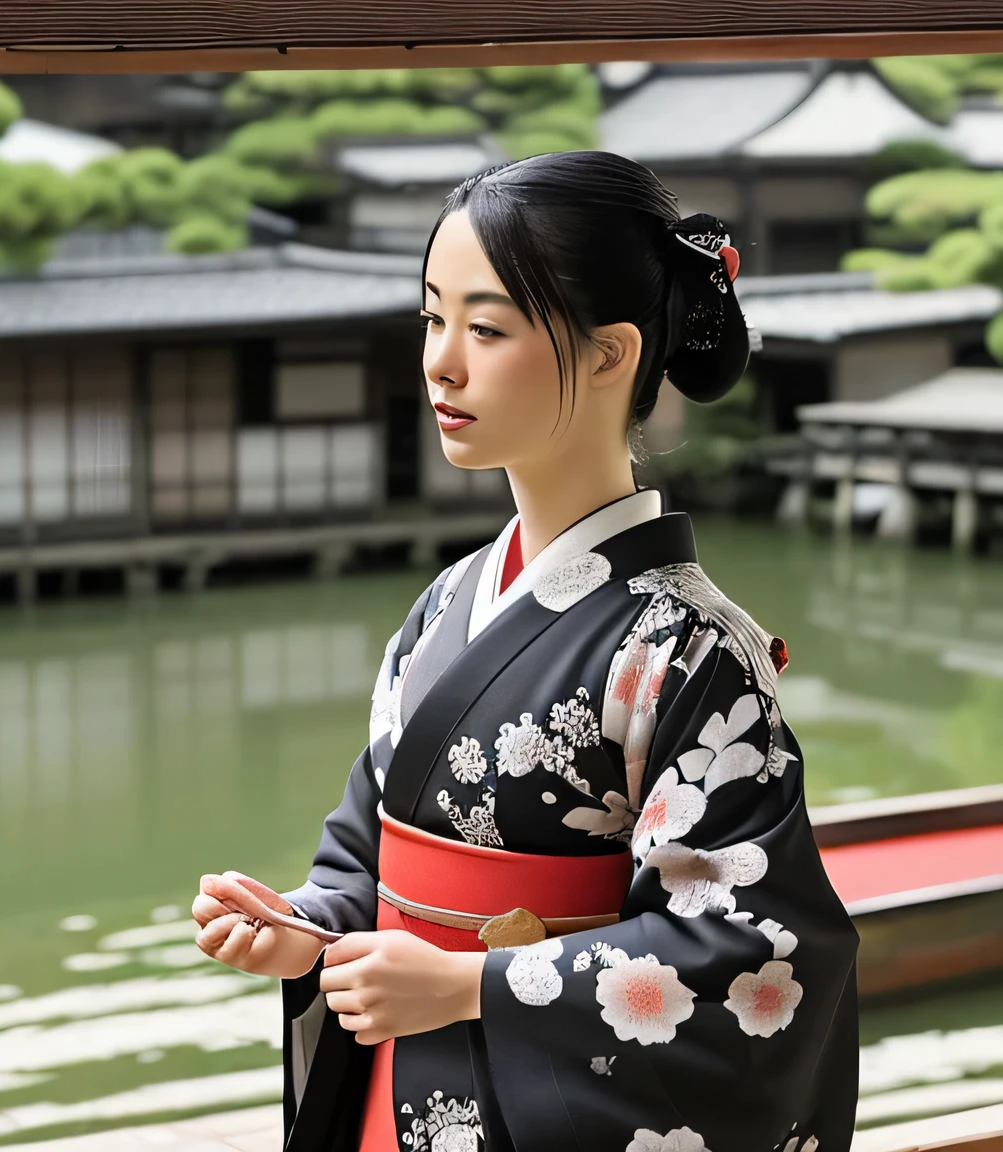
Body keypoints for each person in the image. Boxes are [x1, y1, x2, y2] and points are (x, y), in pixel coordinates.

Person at [192, 150, 858, 1152]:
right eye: (431, 318)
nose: (440, 362)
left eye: (487, 327)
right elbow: (366, 845)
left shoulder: (687, 650)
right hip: (397, 1098)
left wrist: (468, 984)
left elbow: (746, 956)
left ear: (607, 355)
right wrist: (307, 928)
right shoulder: (444, 603)